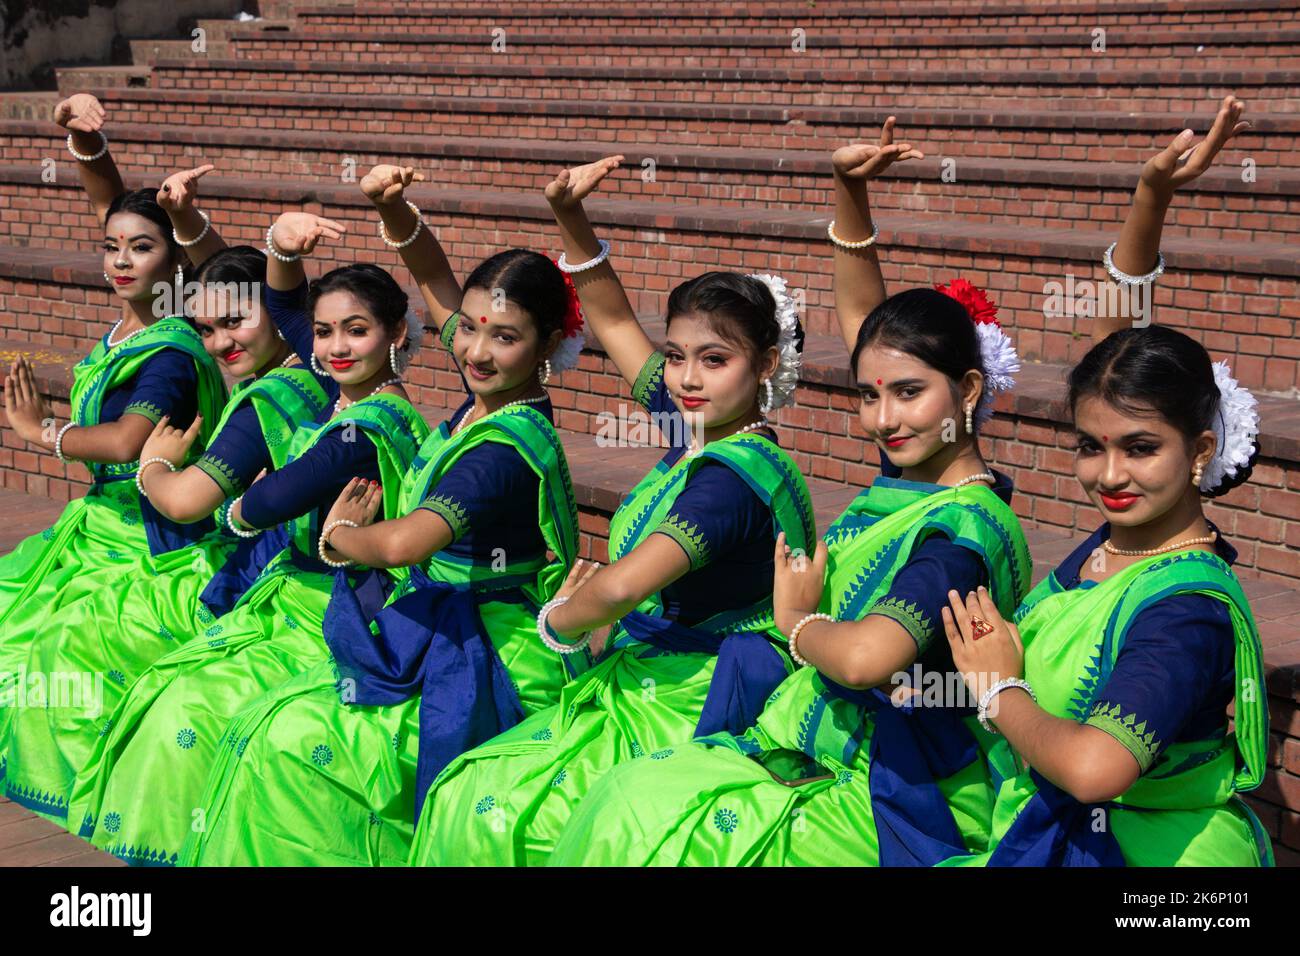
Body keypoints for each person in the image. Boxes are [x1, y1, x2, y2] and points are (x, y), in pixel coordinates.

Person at [550, 125, 1033, 866]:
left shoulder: (959, 531)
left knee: (631, 823)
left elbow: (871, 658)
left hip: (892, 780)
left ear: (966, 392)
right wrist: (849, 195)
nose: (882, 417)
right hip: (815, 735)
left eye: (907, 394)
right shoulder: (900, 482)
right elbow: (871, 326)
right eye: (870, 395)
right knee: (626, 810)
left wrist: (799, 624)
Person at [408, 155, 817, 866]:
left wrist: (558, 623)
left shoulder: (730, 479)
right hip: (648, 670)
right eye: (678, 356)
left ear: (767, 365)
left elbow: (625, 586)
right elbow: (614, 319)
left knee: (502, 809)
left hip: (696, 692)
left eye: (714, 360)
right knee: (476, 793)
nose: (686, 378)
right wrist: (569, 215)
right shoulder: (698, 426)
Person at [181, 164, 589, 865]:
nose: (476, 352)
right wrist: (392, 209)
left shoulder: (503, 448)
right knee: (265, 728)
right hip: (431, 617)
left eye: (505, 338)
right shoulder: (481, 400)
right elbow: (432, 275)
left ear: (549, 344)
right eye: (469, 330)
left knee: (291, 748)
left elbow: (405, 542)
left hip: (486, 640)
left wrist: (341, 538)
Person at [65, 210, 429, 866]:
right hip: (292, 585)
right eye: (323, 332)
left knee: (188, 700)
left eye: (355, 330)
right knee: (171, 690)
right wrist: (274, 247)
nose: (336, 345)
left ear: (397, 333)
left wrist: (152, 464)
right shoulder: (327, 378)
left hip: (334, 608)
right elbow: (282, 302)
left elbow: (252, 503)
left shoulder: (350, 421)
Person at [1, 233, 332, 820]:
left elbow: (182, 501)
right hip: (253, 564)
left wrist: (150, 463)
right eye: (207, 329)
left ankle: (82, 808)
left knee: (74, 641)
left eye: (234, 321)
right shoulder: (315, 371)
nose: (219, 342)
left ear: (279, 311)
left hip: (247, 577)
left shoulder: (269, 397)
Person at [937, 326, 1269, 866]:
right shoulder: (1106, 551)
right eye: (1091, 446)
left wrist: (998, 689)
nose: (1110, 476)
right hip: (1051, 833)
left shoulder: (1185, 611)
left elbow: (1096, 771)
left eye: (1141, 448)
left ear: (1200, 451)